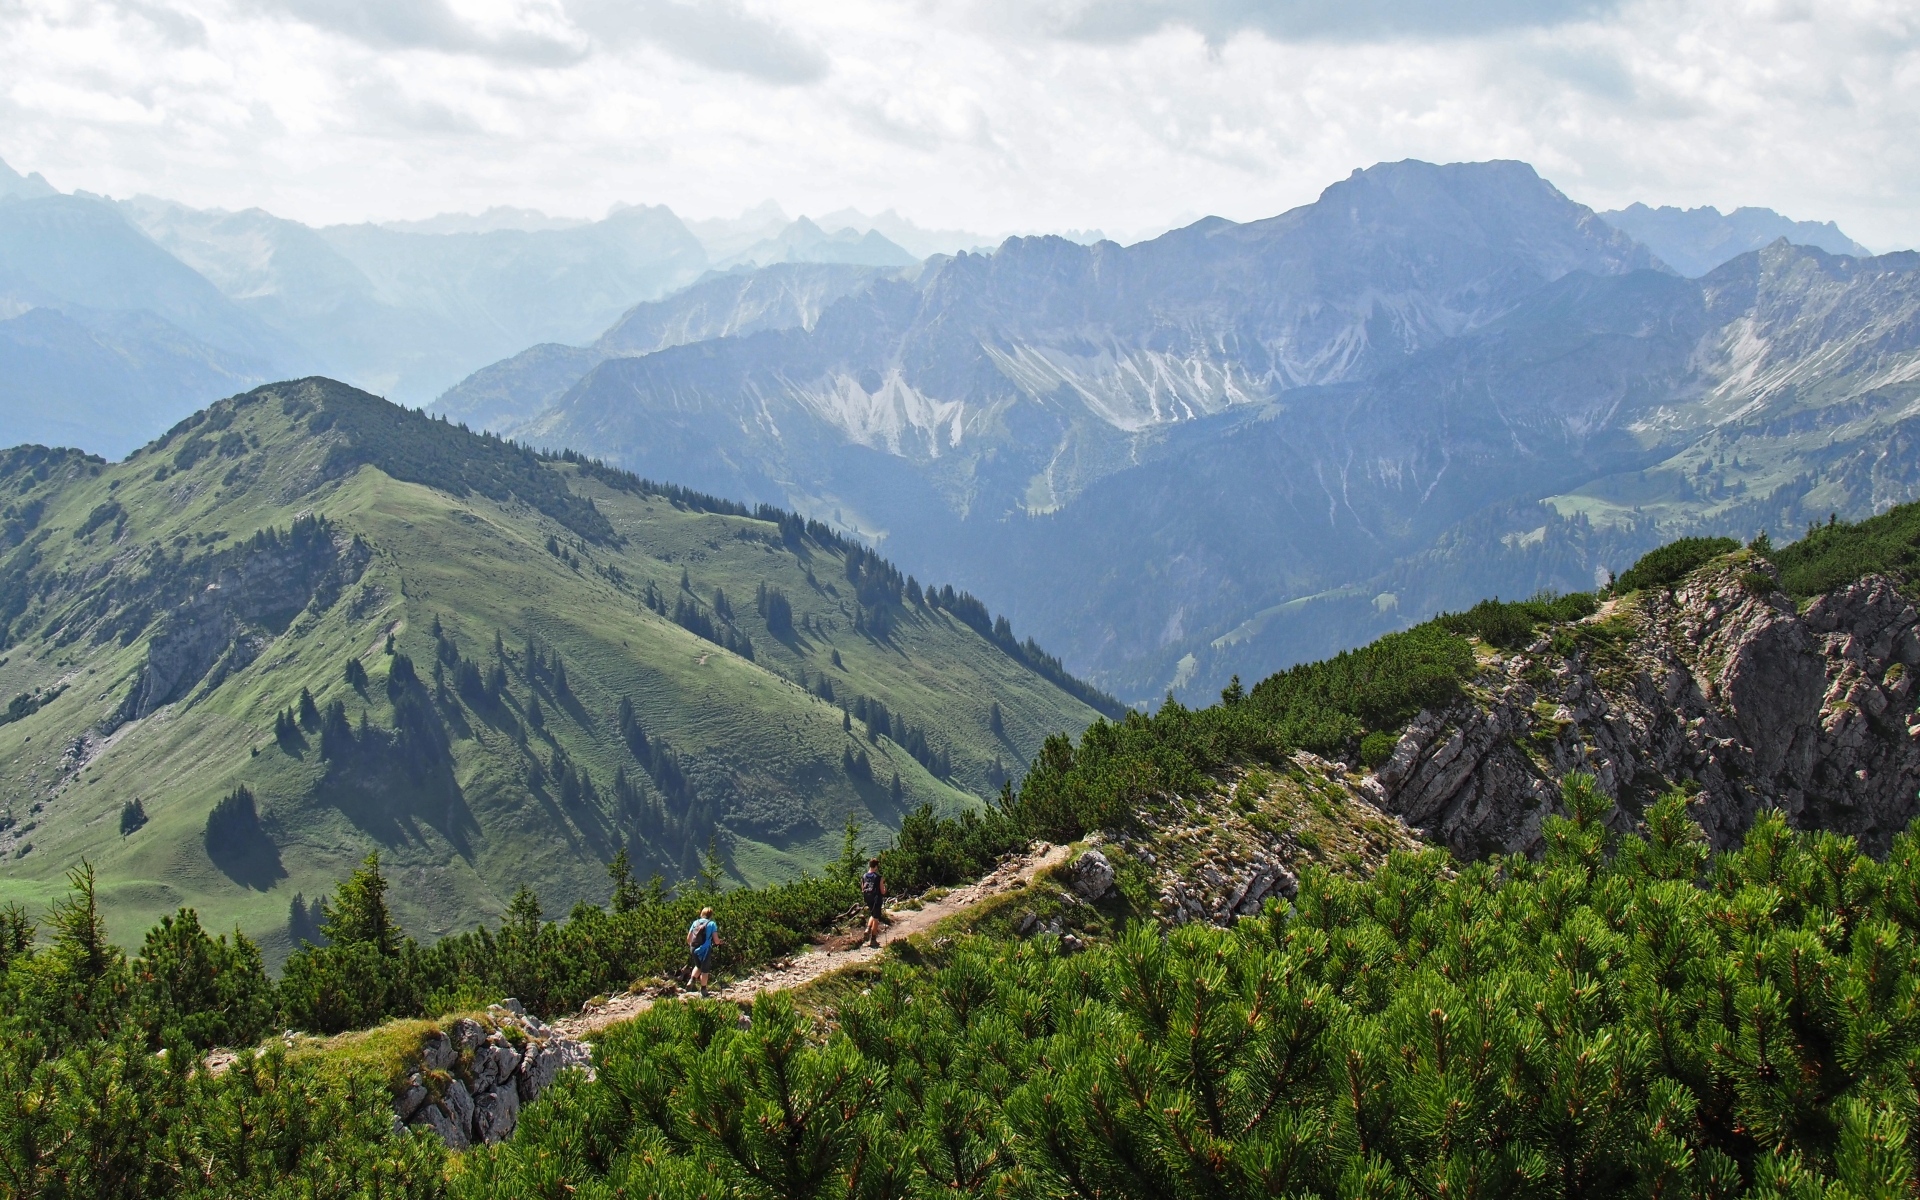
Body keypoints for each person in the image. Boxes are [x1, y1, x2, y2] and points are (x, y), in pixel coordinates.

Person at [685, 906, 718, 995]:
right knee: (705, 970)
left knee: (698, 965)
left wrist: (692, 946)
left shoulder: (695, 922)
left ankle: (691, 980)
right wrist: (720, 942)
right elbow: (716, 940)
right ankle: (703, 990)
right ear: (711, 915)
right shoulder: (712, 924)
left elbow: (688, 938)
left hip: (693, 948)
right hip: (705, 949)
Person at [860, 858, 886, 948]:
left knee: (872, 913)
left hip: (868, 899)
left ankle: (867, 929)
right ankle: (873, 940)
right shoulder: (879, 877)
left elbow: (862, 889)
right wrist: (884, 887)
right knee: (876, 918)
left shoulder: (864, 876)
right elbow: (882, 892)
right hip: (876, 900)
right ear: (876, 866)